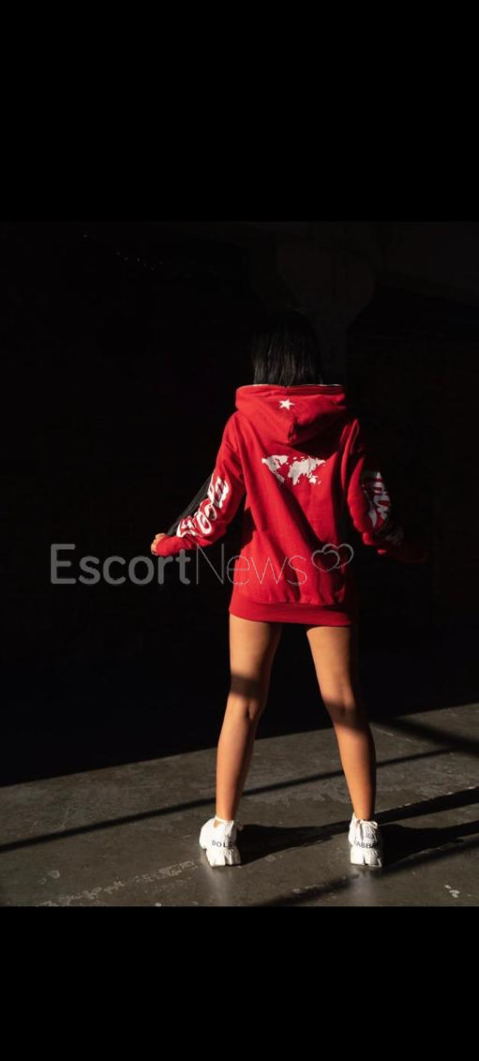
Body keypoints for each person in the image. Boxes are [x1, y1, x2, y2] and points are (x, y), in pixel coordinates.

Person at [151, 310, 428, 869]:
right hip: (328, 583)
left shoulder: (242, 424)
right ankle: (365, 834)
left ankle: (223, 832)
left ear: (264, 363)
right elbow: (370, 512)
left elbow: (217, 506)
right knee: (346, 704)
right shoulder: (346, 425)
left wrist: (171, 542)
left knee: (243, 704)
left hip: (259, 581)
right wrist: (407, 548)